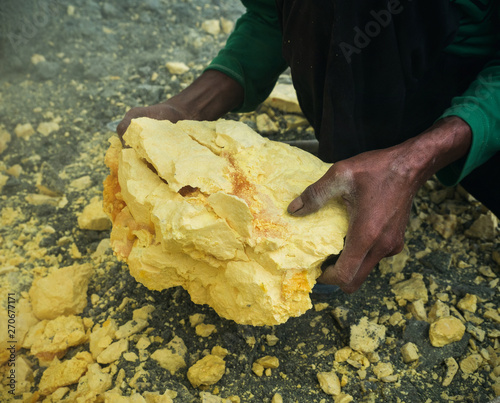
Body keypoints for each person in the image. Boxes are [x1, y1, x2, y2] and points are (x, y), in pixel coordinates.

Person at [117, 0, 500, 293]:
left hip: (471, 71)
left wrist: (413, 163)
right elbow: (272, 15)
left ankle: (395, 167)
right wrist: (188, 107)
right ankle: (359, 161)